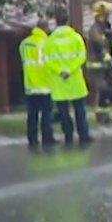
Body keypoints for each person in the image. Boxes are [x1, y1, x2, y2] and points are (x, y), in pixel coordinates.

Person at [43, 8, 93, 145]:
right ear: (67, 21)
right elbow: (81, 57)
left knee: (63, 111)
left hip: (59, 81)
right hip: (75, 80)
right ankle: (83, 135)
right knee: (80, 110)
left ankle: (68, 136)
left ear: (56, 22)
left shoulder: (50, 40)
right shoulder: (76, 37)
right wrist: (69, 70)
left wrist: (60, 71)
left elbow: (47, 60)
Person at [18, 19, 57, 147]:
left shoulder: (24, 43)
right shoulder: (47, 43)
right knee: (46, 113)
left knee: (32, 113)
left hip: (29, 83)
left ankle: (32, 138)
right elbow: (50, 62)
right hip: (44, 83)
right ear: (45, 28)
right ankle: (47, 137)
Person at [86, 0, 112, 124]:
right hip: (97, 66)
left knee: (106, 92)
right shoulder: (95, 30)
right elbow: (100, 46)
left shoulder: (105, 29)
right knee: (103, 89)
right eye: (106, 15)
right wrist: (110, 62)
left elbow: (110, 45)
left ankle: (105, 116)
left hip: (105, 66)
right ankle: (101, 117)